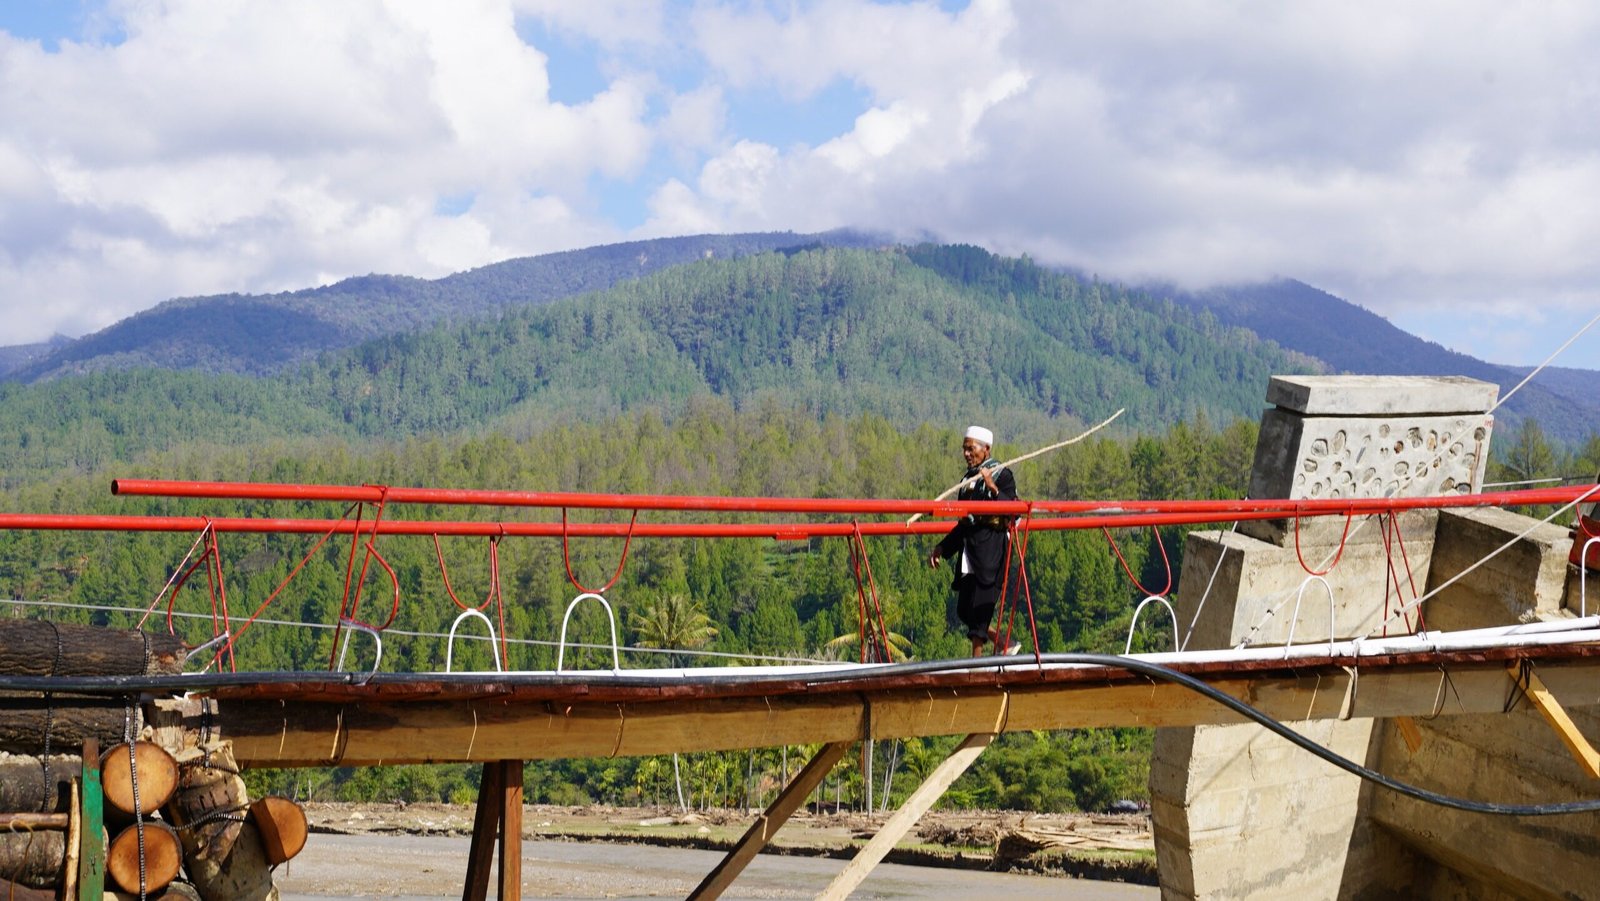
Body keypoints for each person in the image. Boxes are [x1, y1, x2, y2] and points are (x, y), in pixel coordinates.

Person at [929, 425, 1021, 656]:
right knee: (964, 609)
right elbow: (964, 523)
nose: (966, 454)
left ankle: (976, 666)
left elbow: (1014, 510)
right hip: (970, 550)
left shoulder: (1002, 474)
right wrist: (943, 547)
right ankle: (1003, 642)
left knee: (981, 609)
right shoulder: (967, 480)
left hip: (991, 549)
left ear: (986, 449)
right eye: (964, 449)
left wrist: (992, 487)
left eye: (971, 449)